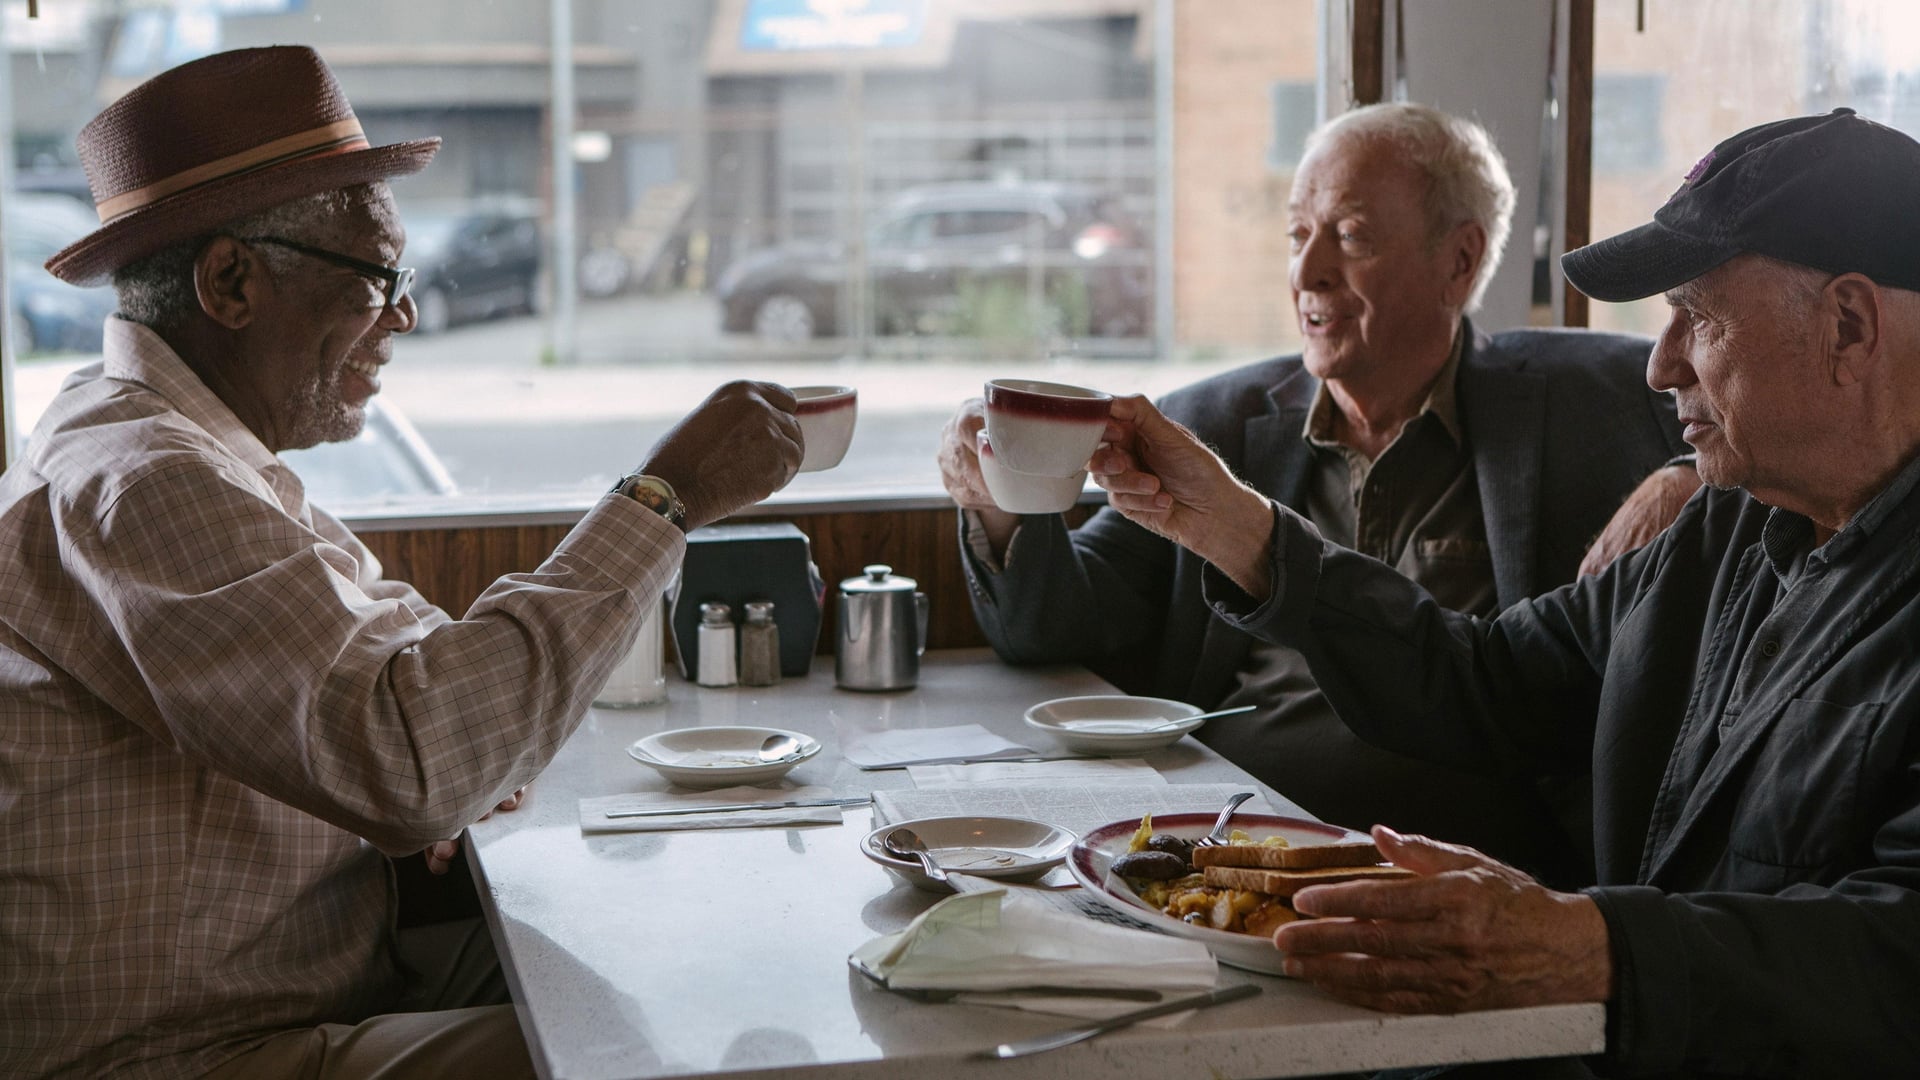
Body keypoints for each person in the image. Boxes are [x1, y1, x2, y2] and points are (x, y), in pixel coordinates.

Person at [0, 47, 802, 1079]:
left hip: (309, 975)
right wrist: (662, 498)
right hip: (187, 1046)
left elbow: (398, 657)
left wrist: (453, 754)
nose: (404, 317)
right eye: (379, 278)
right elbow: (416, 759)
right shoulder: (147, 477)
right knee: (658, 1045)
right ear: (232, 281)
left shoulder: (171, 441)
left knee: (657, 950)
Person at [1085, 107, 1920, 1076]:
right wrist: (1234, 528)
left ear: (1850, 325)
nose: (1661, 363)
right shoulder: (1731, 523)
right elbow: (1486, 682)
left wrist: (1587, 947)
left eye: (1701, 316)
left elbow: (1897, 949)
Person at [937, 102, 1688, 882]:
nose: (1306, 273)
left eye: (1352, 235)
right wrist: (995, 496)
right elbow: (1052, 625)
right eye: (1300, 236)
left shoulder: (1591, 400)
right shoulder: (1214, 425)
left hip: (1473, 870)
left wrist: (1687, 475)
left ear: (1459, 262)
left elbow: (1772, 431)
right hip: (1230, 848)